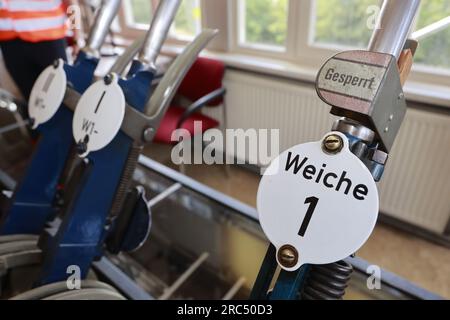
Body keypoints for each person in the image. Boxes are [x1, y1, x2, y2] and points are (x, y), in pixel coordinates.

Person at [0, 0, 79, 100]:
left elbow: (70, 2)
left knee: (61, 95)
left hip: (48, 37)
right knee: (32, 100)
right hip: (9, 40)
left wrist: (76, 34)